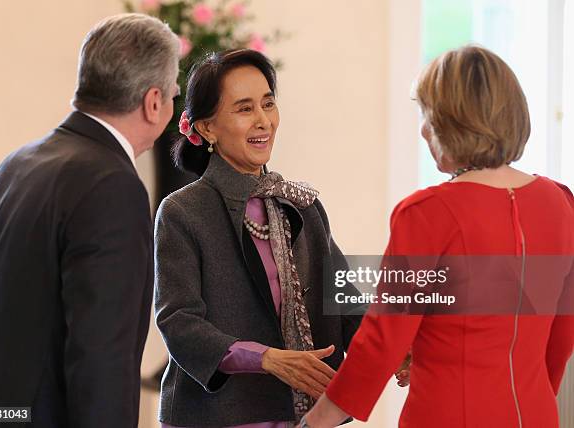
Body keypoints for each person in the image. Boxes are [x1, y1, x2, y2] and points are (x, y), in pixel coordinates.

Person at [299, 45, 574, 427]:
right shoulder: (560, 203)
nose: (423, 129)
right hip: (535, 414)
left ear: (452, 122)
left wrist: (315, 421)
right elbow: (560, 336)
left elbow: (382, 339)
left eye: (427, 116)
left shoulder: (426, 212)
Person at [0, 13, 180, 427]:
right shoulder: (112, 185)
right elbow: (102, 355)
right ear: (154, 102)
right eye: (173, 95)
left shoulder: (16, 164)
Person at [153, 49, 368, 427]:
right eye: (244, 108)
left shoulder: (303, 205)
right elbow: (179, 322)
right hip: (215, 417)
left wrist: (392, 351)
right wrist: (266, 358)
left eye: (268, 104)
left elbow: (345, 300)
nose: (264, 121)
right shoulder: (181, 211)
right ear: (206, 128)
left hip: (304, 416)